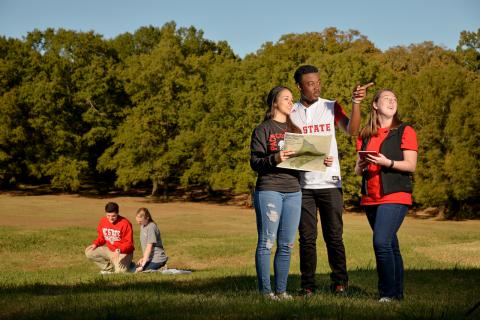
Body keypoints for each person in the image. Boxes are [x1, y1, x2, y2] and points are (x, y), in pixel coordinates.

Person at [290, 65, 373, 295]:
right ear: (299, 86)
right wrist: (316, 157)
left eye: (318, 81)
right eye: (310, 83)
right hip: (303, 186)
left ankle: (340, 283)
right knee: (307, 238)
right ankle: (307, 286)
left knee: (334, 236)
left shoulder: (330, 106)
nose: (316, 86)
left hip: (330, 183)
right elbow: (290, 149)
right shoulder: (291, 111)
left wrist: (356, 103)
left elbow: (352, 130)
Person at [354, 89, 417, 302]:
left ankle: (387, 294)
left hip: (395, 194)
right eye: (387, 99)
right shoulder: (364, 134)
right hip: (370, 197)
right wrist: (362, 165)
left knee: (381, 242)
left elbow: (411, 164)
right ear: (374, 105)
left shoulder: (405, 130)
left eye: (395, 99)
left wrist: (386, 162)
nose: (392, 101)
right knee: (390, 244)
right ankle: (397, 294)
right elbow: (357, 169)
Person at [250, 86, 302, 300]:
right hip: (269, 189)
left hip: (294, 192)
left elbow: (302, 162)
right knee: (266, 242)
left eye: (292, 99)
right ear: (274, 103)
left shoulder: (296, 131)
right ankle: (265, 291)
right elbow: (255, 163)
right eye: (286, 98)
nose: (291, 102)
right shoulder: (263, 129)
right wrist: (276, 158)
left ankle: (281, 291)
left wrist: (320, 162)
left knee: (287, 244)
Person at [85, 202, 134, 274]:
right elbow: (102, 237)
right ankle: (109, 268)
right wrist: (95, 244)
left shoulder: (125, 223)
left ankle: (131, 265)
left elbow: (129, 244)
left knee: (120, 272)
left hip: (123, 252)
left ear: (117, 213)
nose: (110, 218)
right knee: (89, 251)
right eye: (108, 215)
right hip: (110, 250)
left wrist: (119, 250)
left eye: (113, 216)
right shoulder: (103, 221)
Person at [134, 207, 168, 272]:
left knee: (143, 271)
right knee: (135, 268)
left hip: (157, 259)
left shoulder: (151, 227)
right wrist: (143, 258)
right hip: (150, 258)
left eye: (140, 221)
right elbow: (146, 248)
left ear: (147, 218)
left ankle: (162, 267)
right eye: (137, 221)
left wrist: (142, 266)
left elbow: (149, 248)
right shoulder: (143, 226)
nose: (138, 223)